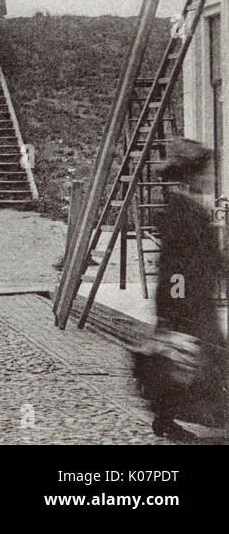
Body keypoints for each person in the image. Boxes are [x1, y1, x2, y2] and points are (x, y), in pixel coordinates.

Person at [131, 138, 229, 440]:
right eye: (206, 171)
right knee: (192, 361)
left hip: (193, 299)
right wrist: (175, 310)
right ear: (191, 174)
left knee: (198, 361)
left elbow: (208, 258)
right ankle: (169, 419)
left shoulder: (188, 205)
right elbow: (174, 266)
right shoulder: (183, 209)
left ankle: (172, 418)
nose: (210, 177)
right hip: (187, 302)